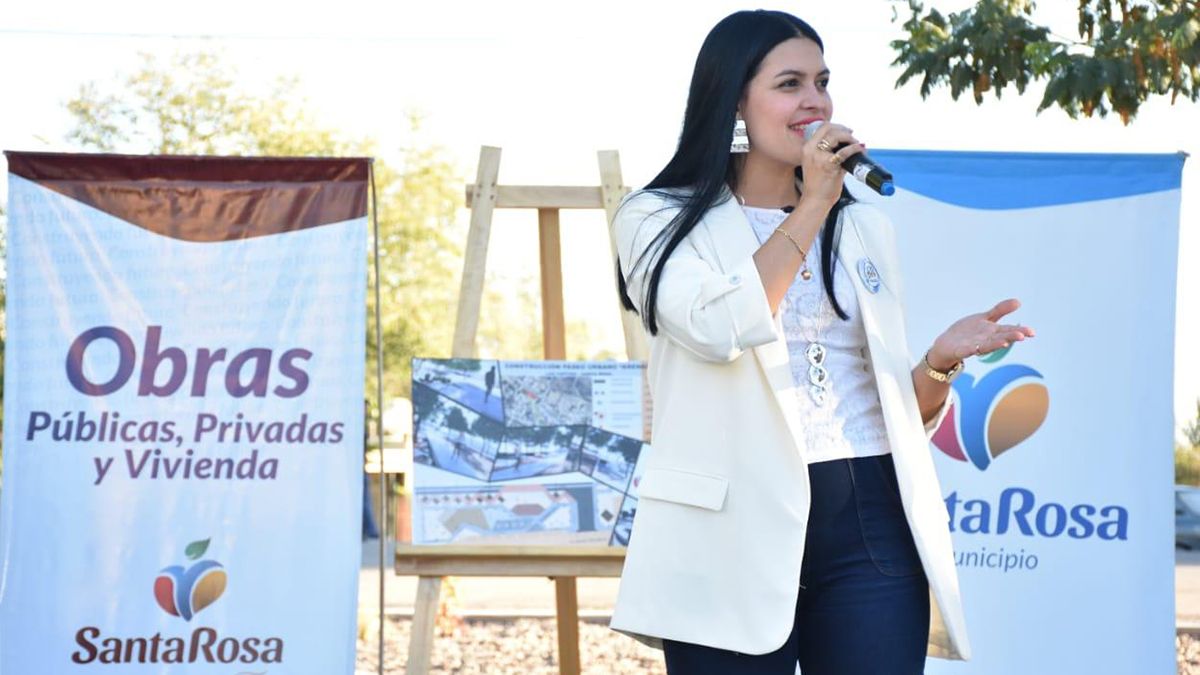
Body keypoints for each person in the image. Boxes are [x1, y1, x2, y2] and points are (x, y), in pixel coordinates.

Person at [607, 10, 1034, 675]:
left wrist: (938, 364)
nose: (816, 101)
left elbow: (890, 409)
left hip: (869, 518)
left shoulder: (863, 228)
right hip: (727, 531)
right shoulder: (657, 216)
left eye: (823, 82)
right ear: (734, 102)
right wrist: (811, 207)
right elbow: (719, 330)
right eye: (790, 84)